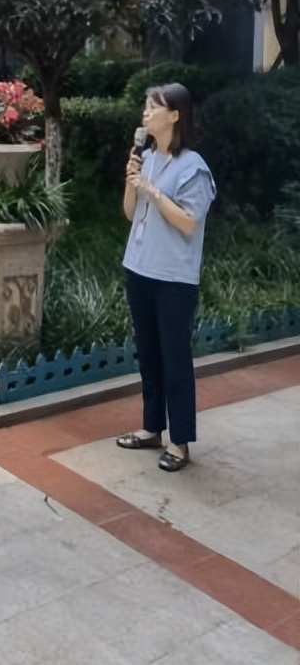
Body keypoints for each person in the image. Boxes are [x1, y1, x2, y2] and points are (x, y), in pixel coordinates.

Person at [116, 84, 216, 473]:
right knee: (149, 352)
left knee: (175, 357)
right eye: (145, 106)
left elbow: (189, 222)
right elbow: (128, 212)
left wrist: (153, 192)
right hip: (139, 266)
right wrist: (132, 179)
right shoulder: (145, 157)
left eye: (153, 107)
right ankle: (152, 427)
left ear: (175, 115)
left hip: (173, 276)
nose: (145, 113)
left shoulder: (194, 167)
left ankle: (180, 441)